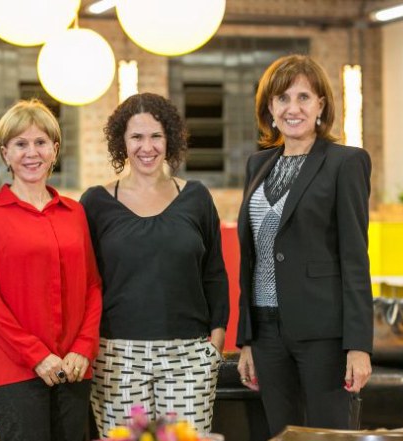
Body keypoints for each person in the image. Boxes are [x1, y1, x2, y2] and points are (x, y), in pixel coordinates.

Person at [235, 54, 373, 435]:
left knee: (327, 435)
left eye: (303, 97)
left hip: (323, 332)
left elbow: (355, 257)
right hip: (266, 332)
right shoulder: (257, 165)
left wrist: (359, 346)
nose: (292, 108)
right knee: (282, 433)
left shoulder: (346, 162)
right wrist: (246, 339)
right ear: (269, 108)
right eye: (282, 98)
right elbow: (253, 257)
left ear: (321, 105)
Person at [81, 93, 229, 437]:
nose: (146, 147)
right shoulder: (96, 202)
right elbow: (84, 281)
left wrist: (215, 342)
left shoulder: (197, 197)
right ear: (122, 142)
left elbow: (215, 273)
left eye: (155, 136)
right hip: (116, 357)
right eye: (136, 137)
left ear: (170, 140)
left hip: (189, 358)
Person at [0, 99, 102, 441]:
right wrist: (37, 355)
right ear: (5, 153)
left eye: (41, 143)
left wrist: (83, 349)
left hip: (73, 370)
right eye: (20, 144)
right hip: (14, 372)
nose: (32, 153)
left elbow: (92, 287)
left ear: (55, 150)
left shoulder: (74, 213)